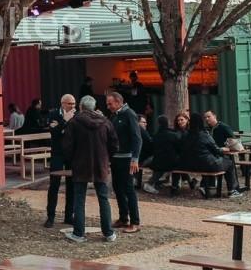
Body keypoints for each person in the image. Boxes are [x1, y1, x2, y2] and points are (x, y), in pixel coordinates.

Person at [61, 95, 118, 243]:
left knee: (79, 199)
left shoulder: (74, 122)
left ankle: (78, 233)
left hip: (80, 165)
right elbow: (114, 144)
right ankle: (108, 233)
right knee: (103, 198)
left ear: (80, 107)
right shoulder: (105, 122)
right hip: (101, 164)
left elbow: (67, 146)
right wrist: (106, 158)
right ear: (94, 107)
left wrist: (72, 160)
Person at [105, 91, 143, 233]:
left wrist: (135, 158)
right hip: (116, 158)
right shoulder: (115, 115)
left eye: (110, 103)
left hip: (127, 158)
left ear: (118, 102)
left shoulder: (129, 114)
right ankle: (123, 217)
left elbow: (137, 138)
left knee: (128, 189)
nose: (108, 106)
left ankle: (135, 221)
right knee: (117, 188)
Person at [182, 112, 242, 198]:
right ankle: (232, 190)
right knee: (229, 163)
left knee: (211, 161)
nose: (206, 119)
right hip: (206, 164)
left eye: (208, 117)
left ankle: (206, 186)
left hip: (191, 165)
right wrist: (223, 149)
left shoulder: (186, 135)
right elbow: (217, 150)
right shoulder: (204, 135)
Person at [43, 94, 77, 228]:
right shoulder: (53, 114)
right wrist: (64, 121)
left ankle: (69, 216)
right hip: (57, 153)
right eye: (70, 104)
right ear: (63, 103)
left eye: (74, 104)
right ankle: (50, 216)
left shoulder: (77, 115)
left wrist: (61, 126)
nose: (73, 106)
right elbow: (54, 132)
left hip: (71, 154)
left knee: (71, 185)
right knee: (54, 184)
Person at [143, 115, 181, 193]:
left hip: (157, 162)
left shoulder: (156, 136)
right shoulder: (173, 135)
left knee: (161, 165)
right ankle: (175, 185)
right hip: (171, 162)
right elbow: (179, 148)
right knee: (178, 165)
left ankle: (152, 183)